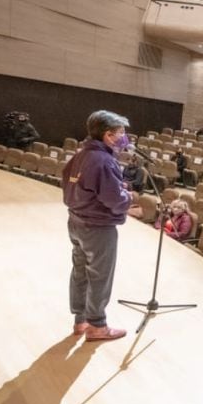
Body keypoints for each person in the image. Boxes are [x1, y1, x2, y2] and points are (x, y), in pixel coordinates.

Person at [63, 110, 133, 341]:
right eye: (121, 132)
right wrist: (128, 197)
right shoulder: (103, 160)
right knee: (100, 275)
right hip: (97, 227)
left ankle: (80, 320)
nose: (125, 137)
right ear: (108, 135)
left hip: (76, 222)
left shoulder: (81, 155)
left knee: (80, 272)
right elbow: (115, 201)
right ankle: (97, 326)